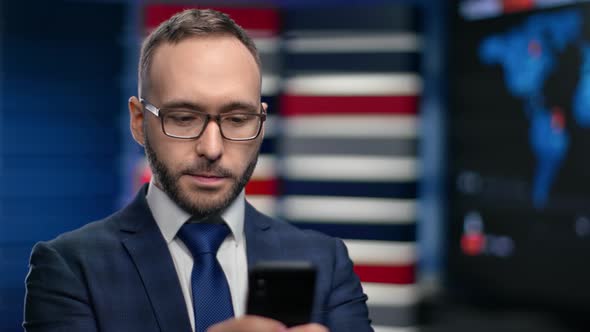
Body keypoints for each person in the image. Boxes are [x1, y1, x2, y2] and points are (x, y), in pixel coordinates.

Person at [23, 8, 372, 332]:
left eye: (237, 120)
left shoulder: (326, 262)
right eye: (184, 118)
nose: (212, 148)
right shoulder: (69, 268)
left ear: (262, 123)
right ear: (138, 121)